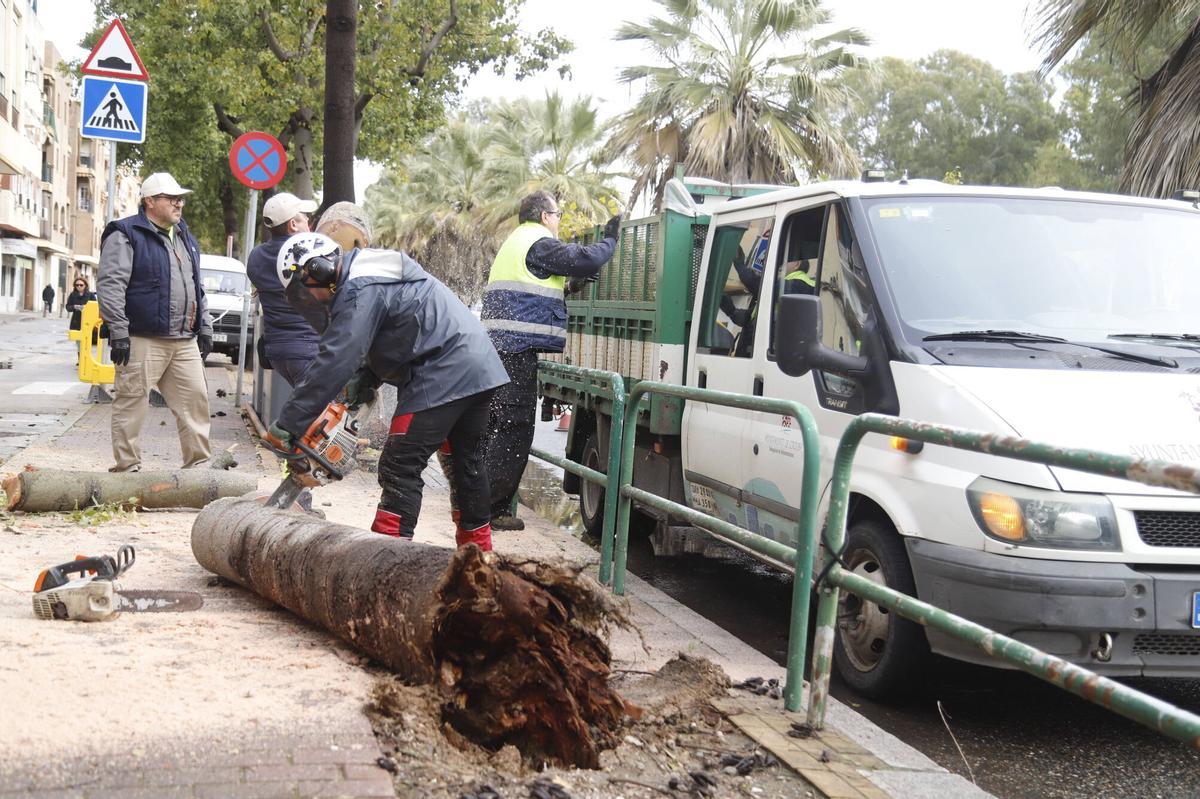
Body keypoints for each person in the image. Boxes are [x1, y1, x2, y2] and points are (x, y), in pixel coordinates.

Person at [268, 232, 508, 550]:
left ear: (317, 270)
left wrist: (290, 422)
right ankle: (477, 555)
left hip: (443, 371)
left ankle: (386, 556)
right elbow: (395, 330)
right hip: (479, 367)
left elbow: (338, 356)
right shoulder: (370, 273)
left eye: (306, 291)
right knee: (465, 464)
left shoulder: (358, 286)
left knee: (400, 464)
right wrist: (366, 377)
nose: (312, 300)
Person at [480, 189, 620, 530]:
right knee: (513, 430)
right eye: (557, 215)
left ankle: (474, 504)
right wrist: (611, 240)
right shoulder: (538, 241)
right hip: (514, 352)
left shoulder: (516, 242)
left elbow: (529, 292)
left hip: (496, 349)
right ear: (545, 216)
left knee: (493, 428)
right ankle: (491, 512)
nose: (558, 221)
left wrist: (569, 287)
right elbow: (587, 258)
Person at [97, 172, 212, 473]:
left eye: (180, 199)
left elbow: (197, 286)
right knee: (132, 402)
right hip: (142, 337)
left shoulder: (184, 236)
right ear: (149, 201)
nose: (179, 203)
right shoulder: (125, 233)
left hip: (183, 340)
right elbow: (111, 285)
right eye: (171, 198)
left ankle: (199, 470)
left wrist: (205, 325)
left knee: (195, 402)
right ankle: (128, 467)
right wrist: (119, 331)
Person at [245, 192, 319, 387]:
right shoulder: (310, 257)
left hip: (276, 352)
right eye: (305, 218)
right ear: (293, 224)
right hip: (308, 348)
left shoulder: (256, 257)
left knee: (304, 402)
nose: (309, 222)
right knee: (321, 406)